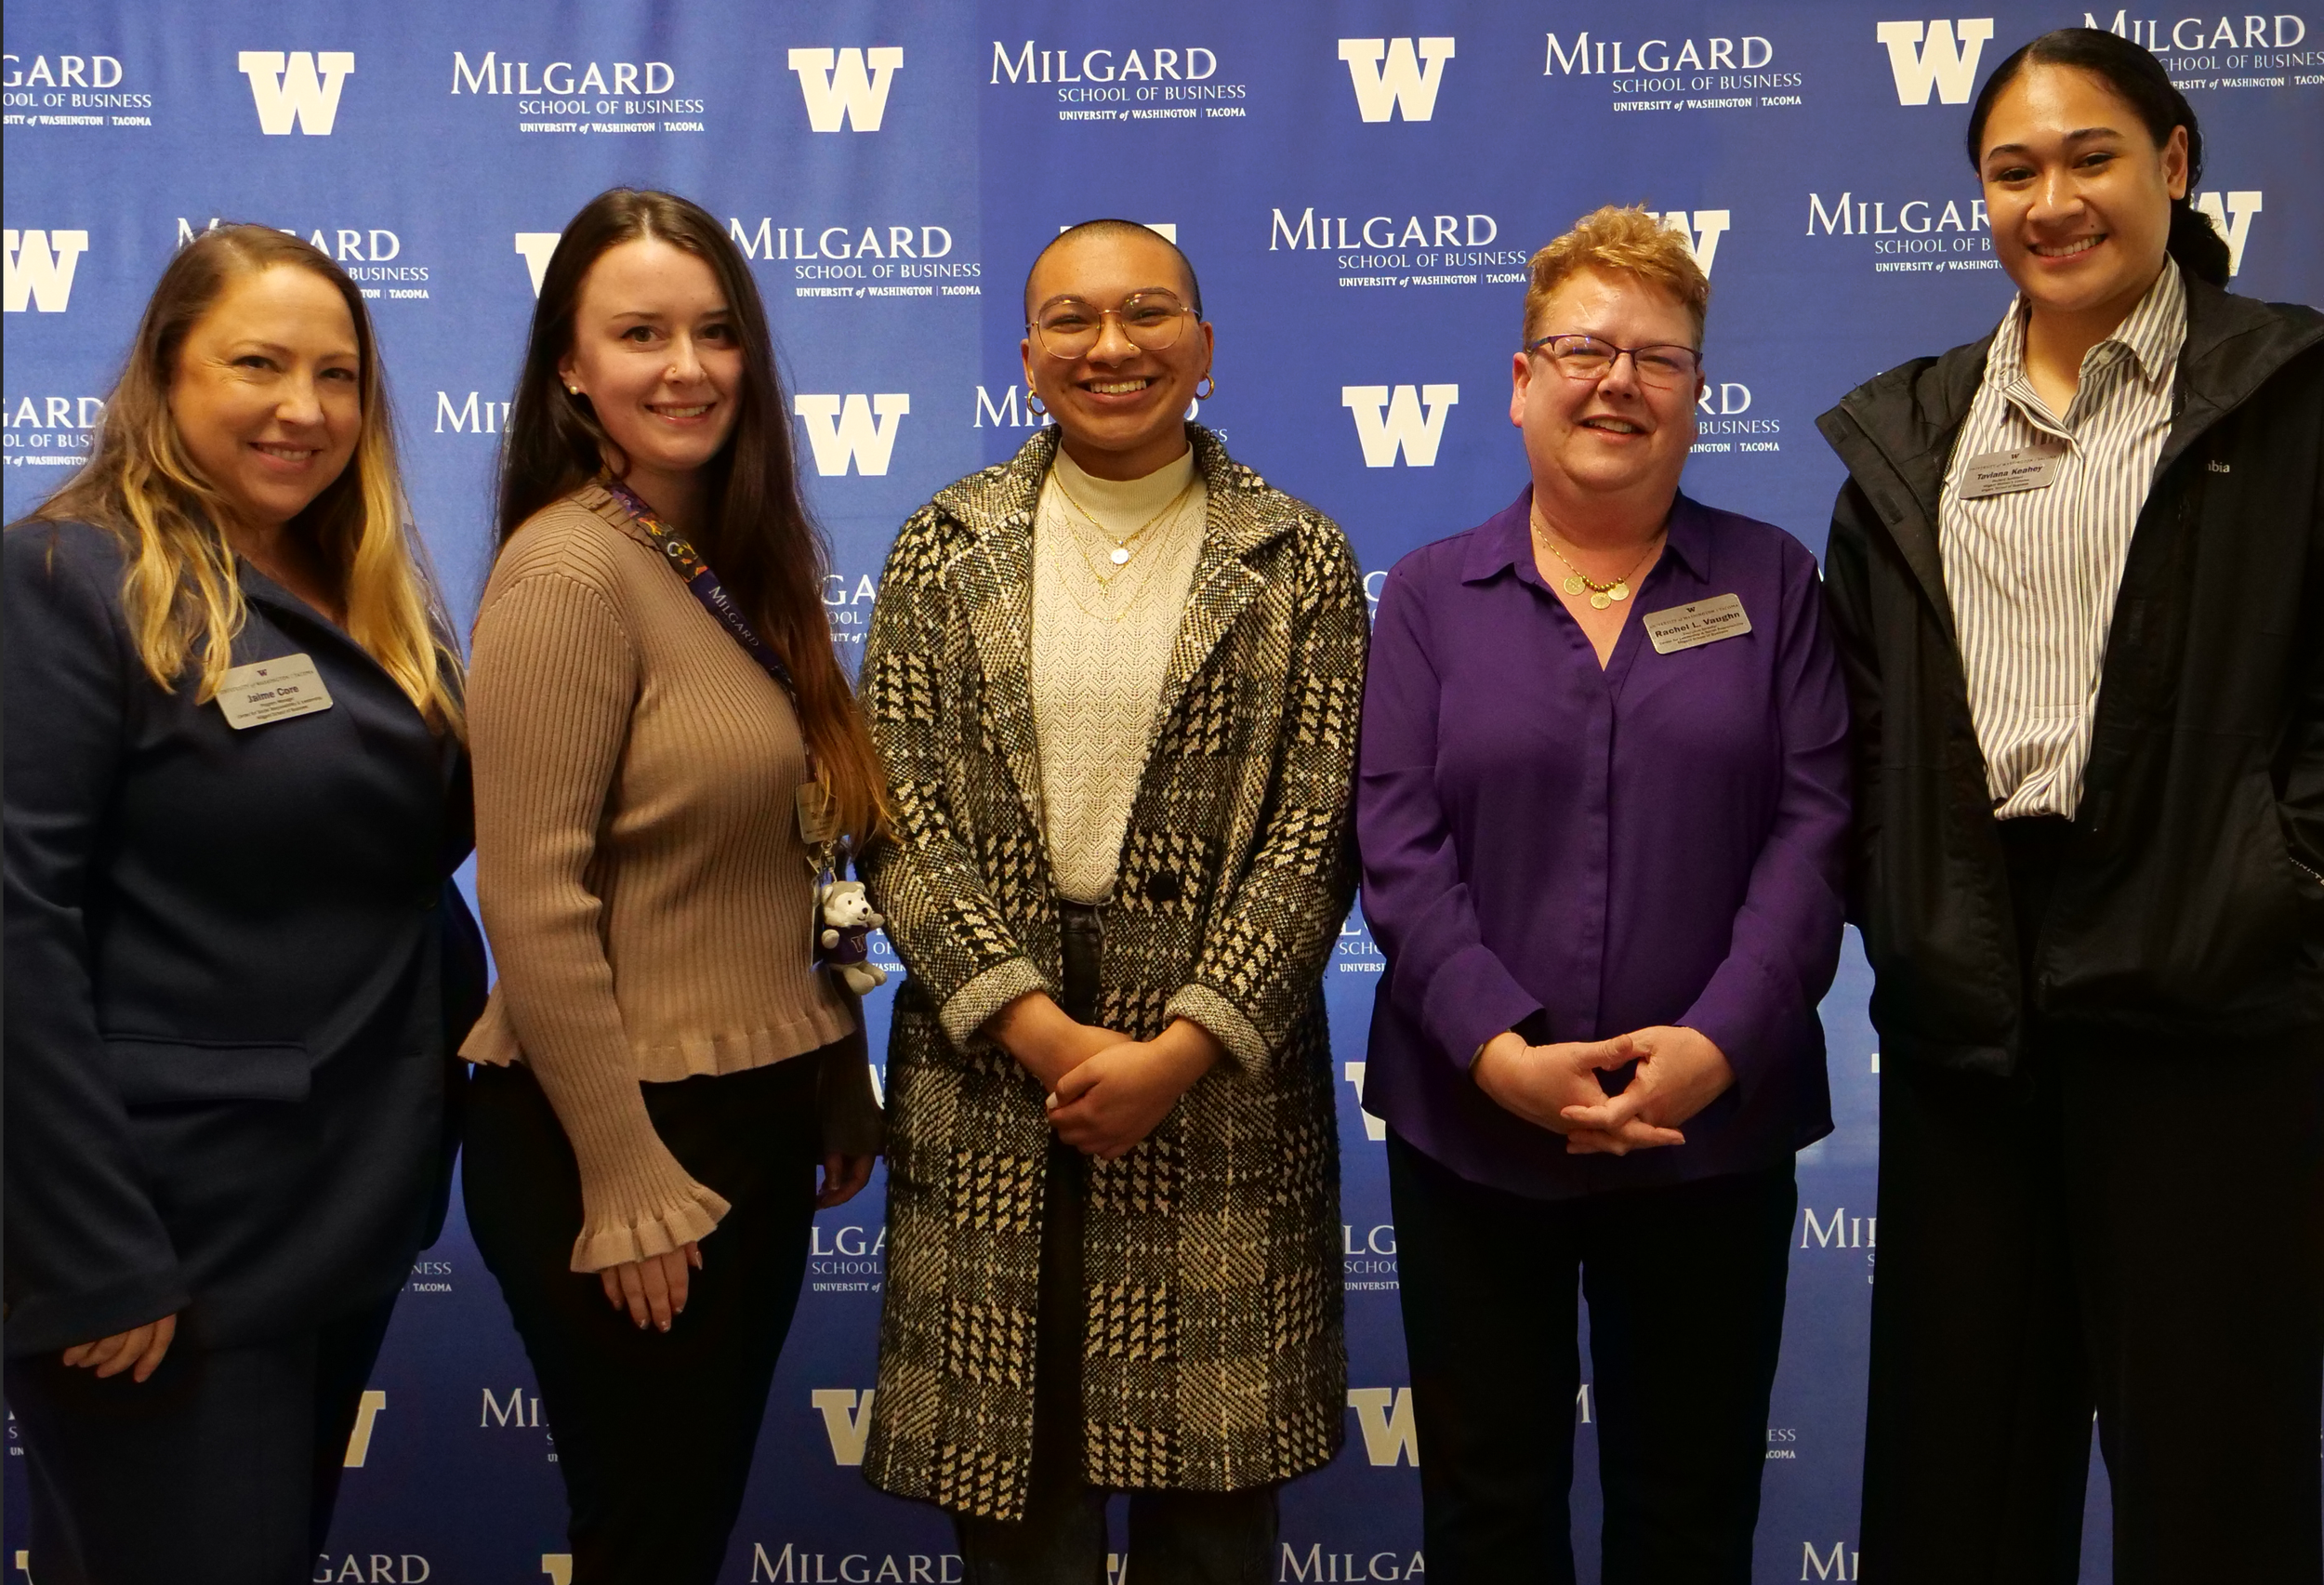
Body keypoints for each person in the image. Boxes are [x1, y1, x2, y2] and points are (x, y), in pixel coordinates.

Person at [1817, 30, 2323, 1582]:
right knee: (1956, 1483)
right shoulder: (1910, 433)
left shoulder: (2292, 396)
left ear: (2174, 164)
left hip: (2210, 987)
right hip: (1974, 990)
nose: (2053, 199)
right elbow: (1857, 724)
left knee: (2214, 1483)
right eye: (2013, 169)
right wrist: (1906, 907)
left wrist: (2275, 877)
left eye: (2091, 157)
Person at [856, 219, 1367, 1581]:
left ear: (1202, 348)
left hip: (1214, 1092)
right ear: (1029, 358)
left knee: (1210, 1516)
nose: (1112, 346)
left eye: (1148, 315)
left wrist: (1178, 1049)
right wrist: (1045, 1034)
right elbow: (891, 824)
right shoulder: (939, 548)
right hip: (992, 1081)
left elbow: (1314, 838)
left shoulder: (1298, 559)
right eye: (1072, 321)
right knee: (1017, 1516)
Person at [1355, 205, 1852, 1585]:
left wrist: (1715, 1047)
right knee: (1488, 1511)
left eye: (1658, 358)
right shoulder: (1431, 596)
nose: (1617, 381)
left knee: (1687, 1516)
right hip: (1474, 1123)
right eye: (1581, 348)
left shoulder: (1772, 582)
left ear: (1699, 398)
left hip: (1714, 1127)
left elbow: (1815, 831)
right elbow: (1394, 840)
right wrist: (1499, 1050)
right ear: (1521, 383)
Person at [2, 225, 482, 1585]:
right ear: (164, 372)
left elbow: (380, 868)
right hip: (163, 1244)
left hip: (338, 1214)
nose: (305, 408)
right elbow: (13, 933)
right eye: (257, 365)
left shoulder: (365, 587)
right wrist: (88, 1259)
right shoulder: (63, 581)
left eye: (337, 375)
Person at [457, 189, 885, 1585]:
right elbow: (531, 897)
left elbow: (784, 847)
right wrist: (626, 1175)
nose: (685, 366)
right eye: (639, 333)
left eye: (714, 332)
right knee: (644, 1538)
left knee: (686, 1528)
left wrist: (831, 1070)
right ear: (571, 367)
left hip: (754, 1112)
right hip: (621, 1133)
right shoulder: (568, 571)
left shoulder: (741, 563)